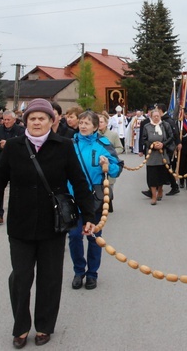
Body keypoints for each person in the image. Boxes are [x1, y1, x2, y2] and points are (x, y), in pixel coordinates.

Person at [0, 98, 96, 349]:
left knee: (50, 278)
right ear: (25, 121)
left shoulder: (64, 146)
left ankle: (44, 326)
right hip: (20, 225)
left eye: (41, 118)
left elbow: (78, 183)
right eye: (32, 118)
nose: (36, 122)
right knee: (21, 278)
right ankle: (21, 327)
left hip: (52, 225)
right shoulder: (13, 147)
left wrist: (89, 217)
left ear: (51, 121)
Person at [69, 111, 121, 290]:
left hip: (94, 199)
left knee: (94, 237)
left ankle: (92, 274)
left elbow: (116, 169)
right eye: (81, 122)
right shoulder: (70, 144)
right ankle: (78, 271)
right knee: (74, 236)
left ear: (95, 126)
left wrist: (107, 165)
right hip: (73, 197)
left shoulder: (103, 144)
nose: (83, 126)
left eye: (87, 123)